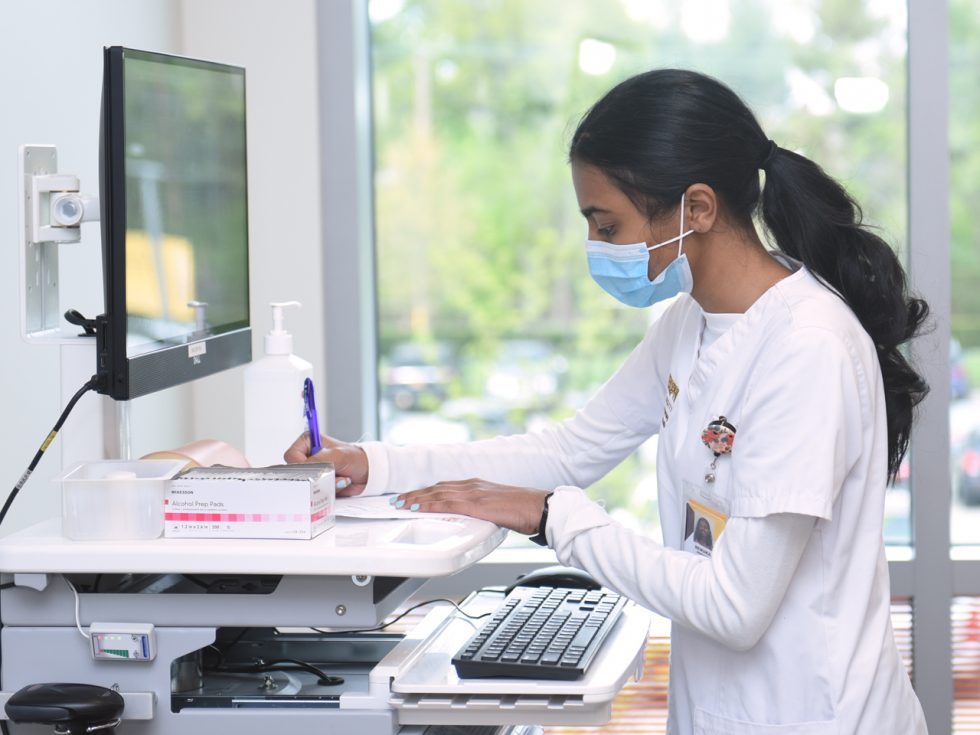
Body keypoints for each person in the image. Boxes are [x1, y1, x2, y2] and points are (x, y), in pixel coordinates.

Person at [286, 69, 929, 734]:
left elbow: (736, 605)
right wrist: (374, 464)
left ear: (698, 208)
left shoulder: (807, 347)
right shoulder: (692, 324)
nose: (598, 248)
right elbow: (569, 448)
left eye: (608, 224)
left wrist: (554, 518)